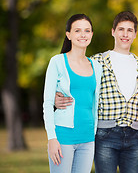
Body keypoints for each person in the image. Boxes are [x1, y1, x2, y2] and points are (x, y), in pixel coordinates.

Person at [55, 11, 138, 173]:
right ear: (113, 32)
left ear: (135, 34)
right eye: (121, 29)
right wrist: (57, 97)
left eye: (130, 30)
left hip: (135, 135)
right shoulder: (97, 62)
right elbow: (77, 86)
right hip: (106, 135)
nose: (125, 34)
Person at [43, 14, 103, 173]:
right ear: (68, 35)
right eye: (77, 31)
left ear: (91, 34)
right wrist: (52, 138)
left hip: (88, 138)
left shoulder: (96, 67)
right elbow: (48, 103)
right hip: (63, 137)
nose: (83, 35)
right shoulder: (57, 62)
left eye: (87, 30)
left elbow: (95, 102)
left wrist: (94, 134)